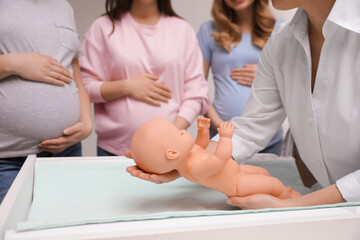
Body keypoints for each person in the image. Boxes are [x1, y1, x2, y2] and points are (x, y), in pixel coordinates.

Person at [127, 0, 360, 209]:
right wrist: (183, 161)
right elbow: (252, 126)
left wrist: (293, 205)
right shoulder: (281, 42)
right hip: (333, 205)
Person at [79, 0, 210, 157]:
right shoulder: (103, 27)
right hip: (114, 151)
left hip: (168, 149)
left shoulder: (182, 29)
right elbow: (83, 88)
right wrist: (126, 87)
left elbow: (196, 93)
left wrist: (171, 134)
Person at [0, 0, 93, 203]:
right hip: (8, 159)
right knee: (16, 231)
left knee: (67, 227)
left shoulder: (64, 6)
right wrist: (13, 63)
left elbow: (73, 70)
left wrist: (86, 122)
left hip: (67, 152)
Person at [125, 118, 300, 199]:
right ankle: (289, 200)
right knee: (273, 183)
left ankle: (285, 191)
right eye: (178, 133)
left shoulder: (189, 154)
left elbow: (202, 147)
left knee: (264, 172)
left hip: (238, 172)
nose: (182, 130)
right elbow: (218, 160)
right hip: (237, 185)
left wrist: (202, 131)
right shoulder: (193, 170)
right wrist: (224, 137)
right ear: (172, 153)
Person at [197, 0, 283, 155]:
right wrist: (223, 129)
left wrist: (268, 75)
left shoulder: (282, 30)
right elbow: (197, 89)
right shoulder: (209, 30)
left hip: (268, 139)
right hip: (219, 135)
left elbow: (299, 85)